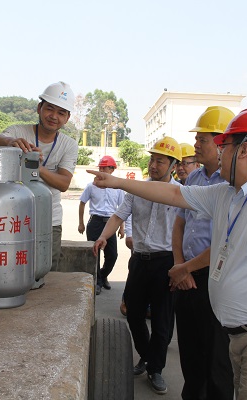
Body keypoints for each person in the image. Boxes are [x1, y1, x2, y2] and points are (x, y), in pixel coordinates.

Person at [89, 108, 247, 400]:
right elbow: (175, 194)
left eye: (225, 146)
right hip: (240, 334)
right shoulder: (227, 194)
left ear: (244, 150)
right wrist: (118, 182)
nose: (219, 153)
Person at [92, 137, 182, 395]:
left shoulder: (180, 194)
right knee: (133, 313)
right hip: (140, 260)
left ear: (173, 166)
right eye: (152, 159)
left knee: (162, 320)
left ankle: (156, 370)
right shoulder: (137, 190)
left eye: (160, 161)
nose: (153, 165)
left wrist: (181, 265)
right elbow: (118, 215)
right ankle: (147, 356)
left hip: (166, 262)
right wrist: (104, 236)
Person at [170, 106, 235, 400]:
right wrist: (179, 264)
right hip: (185, 275)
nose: (195, 144)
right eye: (197, 138)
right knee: (190, 352)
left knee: (217, 359)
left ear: (221, 143)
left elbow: (226, 242)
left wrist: (187, 268)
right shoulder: (194, 179)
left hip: (215, 277)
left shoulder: (231, 184)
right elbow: (180, 224)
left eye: (202, 139)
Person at [0, 82, 78, 269]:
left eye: (61, 113)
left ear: (67, 118)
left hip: (49, 220)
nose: (54, 116)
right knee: (10, 268)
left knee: (46, 270)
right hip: (13, 217)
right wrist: (10, 141)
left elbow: (64, 183)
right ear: (39, 108)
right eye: (49, 109)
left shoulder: (69, 145)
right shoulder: (18, 131)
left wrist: (36, 166)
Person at [78, 155, 125, 295]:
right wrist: (81, 223)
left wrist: (121, 227)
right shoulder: (91, 186)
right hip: (95, 222)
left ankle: (103, 275)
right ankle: (97, 282)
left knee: (112, 255)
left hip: (111, 223)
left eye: (105, 168)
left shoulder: (118, 188)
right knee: (95, 254)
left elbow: (122, 208)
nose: (102, 170)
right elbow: (82, 203)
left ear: (112, 169)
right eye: (101, 168)